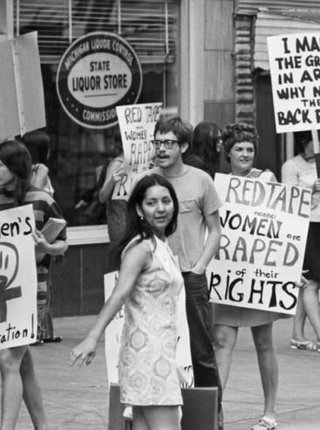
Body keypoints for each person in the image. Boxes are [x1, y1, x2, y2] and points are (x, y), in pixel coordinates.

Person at [70, 174, 183, 429]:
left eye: (166, 201)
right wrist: (92, 337)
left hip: (157, 352)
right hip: (149, 356)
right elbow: (119, 295)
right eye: (151, 203)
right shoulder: (141, 248)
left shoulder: (160, 244)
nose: (161, 208)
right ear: (139, 210)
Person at [211, 122, 281, 430]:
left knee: (264, 342)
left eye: (250, 149)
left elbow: (281, 226)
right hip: (228, 274)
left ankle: (270, 412)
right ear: (228, 153)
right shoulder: (217, 185)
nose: (245, 154)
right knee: (222, 340)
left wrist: (288, 268)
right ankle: (215, 410)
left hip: (259, 275)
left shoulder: (266, 179)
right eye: (239, 149)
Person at [147, 117, 224, 394]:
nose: (162, 149)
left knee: (200, 350)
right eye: (157, 142)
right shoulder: (147, 181)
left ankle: (211, 417)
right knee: (157, 347)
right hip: (153, 276)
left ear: (184, 146)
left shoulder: (201, 180)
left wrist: (201, 266)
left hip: (190, 277)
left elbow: (215, 230)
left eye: (168, 143)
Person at [0, 139, 68, 430]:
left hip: (31, 290)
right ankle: (42, 425)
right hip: (3, 293)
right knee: (21, 361)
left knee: (7, 361)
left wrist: (47, 246)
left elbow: (64, 242)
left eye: (1, 164)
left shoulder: (41, 199)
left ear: (16, 167)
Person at [282, 130, 320, 352]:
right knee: (310, 282)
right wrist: (309, 188)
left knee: (309, 282)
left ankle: (298, 334)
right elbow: (286, 196)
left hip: (319, 223)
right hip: (300, 224)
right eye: (317, 141)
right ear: (305, 143)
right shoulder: (291, 166)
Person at [20, 131, 62, 343]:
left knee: (44, 282)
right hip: (40, 227)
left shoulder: (28, 171)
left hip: (40, 227)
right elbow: (35, 194)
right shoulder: (40, 169)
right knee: (40, 283)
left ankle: (45, 330)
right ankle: (37, 329)